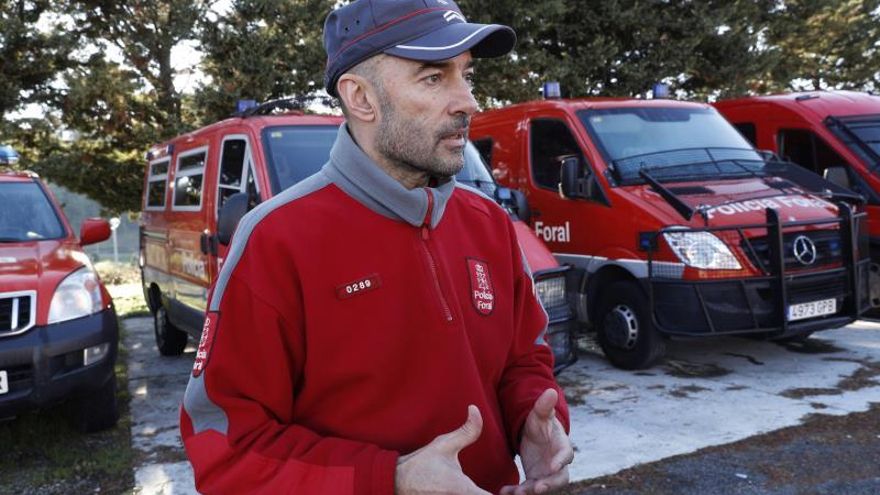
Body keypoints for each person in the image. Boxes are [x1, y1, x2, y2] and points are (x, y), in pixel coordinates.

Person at [180, 1, 573, 493]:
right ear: (361, 97)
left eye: (466, 75)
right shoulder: (275, 241)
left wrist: (534, 421)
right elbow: (227, 448)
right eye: (434, 78)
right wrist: (391, 479)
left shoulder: (489, 223)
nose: (468, 102)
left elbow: (524, 359)